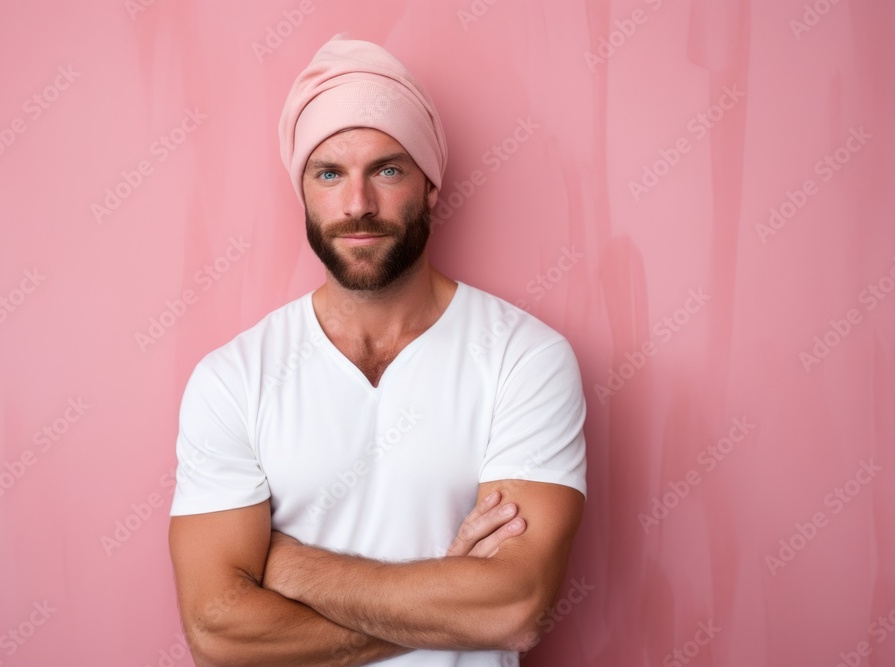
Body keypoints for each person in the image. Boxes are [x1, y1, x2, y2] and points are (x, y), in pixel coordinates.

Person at [168, 33, 588, 667]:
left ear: (431, 187)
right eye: (329, 173)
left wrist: (292, 567)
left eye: (387, 170)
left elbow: (516, 607)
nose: (357, 205)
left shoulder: (524, 359)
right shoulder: (233, 379)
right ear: (303, 193)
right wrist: (452, 600)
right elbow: (218, 633)